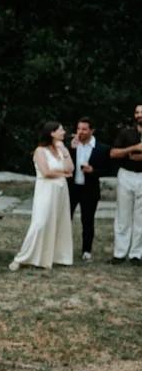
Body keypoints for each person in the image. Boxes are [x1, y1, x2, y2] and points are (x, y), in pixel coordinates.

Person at [9, 122, 73, 271]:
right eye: (60, 129)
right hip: (46, 189)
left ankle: (53, 256)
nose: (63, 132)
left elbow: (70, 167)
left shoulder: (60, 148)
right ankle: (22, 257)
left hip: (61, 190)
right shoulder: (40, 151)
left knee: (58, 220)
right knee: (41, 222)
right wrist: (64, 174)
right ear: (52, 133)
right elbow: (46, 172)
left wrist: (64, 150)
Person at [67, 118, 111, 262]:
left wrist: (93, 170)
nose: (80, 132)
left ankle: (86, 250)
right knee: (66, 218)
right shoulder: (70, 146)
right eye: (79, 128)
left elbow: (108, 170)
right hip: (72, 188)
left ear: (91, 131)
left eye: (84, 129)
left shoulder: (101, 148)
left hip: (89, 189)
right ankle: (64, 248)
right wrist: (71, 150)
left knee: (87, 220)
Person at [110, 104, 142, 264]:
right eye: (137, 112)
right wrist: (134, 148)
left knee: (140, 217)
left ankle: (136, 254)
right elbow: (113, 153)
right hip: (126, 175)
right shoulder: (126, 133)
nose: (139, 115)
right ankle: (119, 253)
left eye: (141, 112)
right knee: (123, 215)